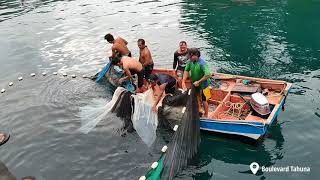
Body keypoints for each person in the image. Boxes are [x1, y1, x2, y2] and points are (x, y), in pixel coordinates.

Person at [182, 48, 211, 117]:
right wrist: (183, 81)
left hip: (204, 84)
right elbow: (186, 71)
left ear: (196, 55)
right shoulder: (189, 61)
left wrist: (199, 81)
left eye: (191, 56)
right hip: (195, 83)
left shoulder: (202, 63)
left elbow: (208, 75)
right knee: (197, 95)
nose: (190, 58)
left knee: (204, 100)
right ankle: (200, 108)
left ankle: (206, 114)